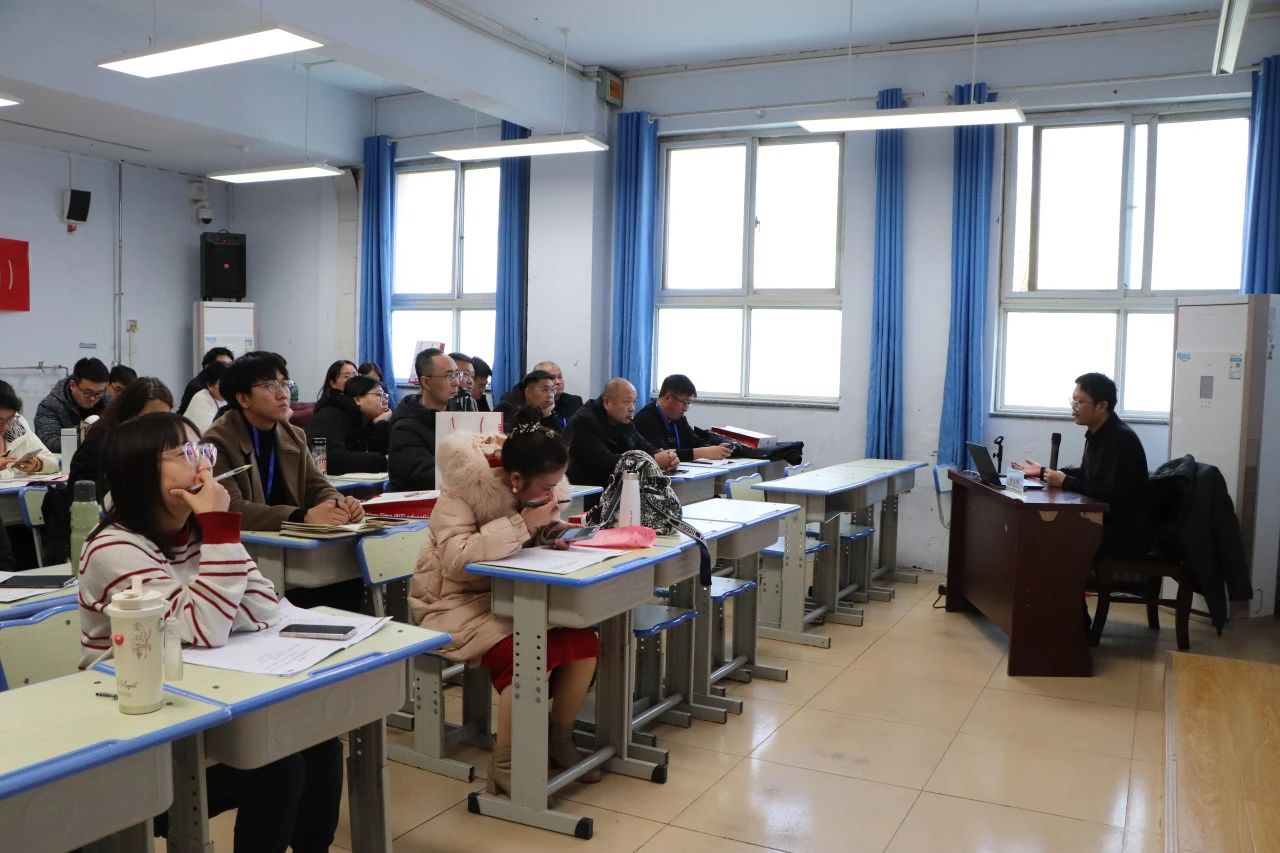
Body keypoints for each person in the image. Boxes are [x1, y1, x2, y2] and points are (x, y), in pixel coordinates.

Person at [78, 411, 342, 853]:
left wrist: (211, 599)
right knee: (278, 768)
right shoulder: (112, 547)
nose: (204, 464)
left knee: (320, 741)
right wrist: (219, 542)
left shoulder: (199, 531)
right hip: (137, 732)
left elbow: (264, 606)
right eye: (184, 453)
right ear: (141, 472)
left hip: (201, 702)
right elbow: (206, 625)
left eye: (202, 450)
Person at [410, 407, 601, 794]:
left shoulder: (530, 494)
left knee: (585, 644)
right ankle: (505, 763)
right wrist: (523, 525)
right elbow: (457, 561)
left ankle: (559, 738)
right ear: (515, 479)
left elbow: (521, 541)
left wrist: (549, 533)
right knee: (529, 656)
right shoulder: (463, 492)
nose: (552, 495)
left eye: (557, 486)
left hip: (509, 600)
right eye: (546, 487)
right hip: (454, 606)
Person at [203, 352, 360, 530]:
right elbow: (229, 507)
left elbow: (317, 487)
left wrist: (340, 505)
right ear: (244, 398)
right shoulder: (217, 441)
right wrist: (300, 516)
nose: (283, 394)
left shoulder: (294, 436)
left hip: (288, 538)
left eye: (285, 384)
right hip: (244, 541)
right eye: (270, 385)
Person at [1012, 372, 1150, 561]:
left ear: (1102, 406)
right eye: (1074, 400)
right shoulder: (1098, 433)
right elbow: (1087, 474)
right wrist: (1044, 472)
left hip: (1123, 531)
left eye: (1080, 401)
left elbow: (1110, 495)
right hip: (1105, 522)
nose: (1074, 407)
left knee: (1049, 534)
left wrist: (1065, 481)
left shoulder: (1120, 439)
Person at [70, 377, 173, 499]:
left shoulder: (166, 440)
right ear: (130, 414)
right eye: (150, 419)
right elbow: (81, 486)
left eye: (165, 419)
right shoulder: (102, 437)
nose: (158, 426)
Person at [565, 378, 678, 486]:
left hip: (614, 485)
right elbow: (604, 462)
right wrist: (651, 460)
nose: (632, 408)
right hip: (587, 489)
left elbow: (642, 445)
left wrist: (668, 457)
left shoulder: (622, 419)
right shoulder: (584, 421)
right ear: (607, 402)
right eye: (628, 402)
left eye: (634, 402)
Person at [387, 348, 459, 491]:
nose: (456, 382)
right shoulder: (405, 428)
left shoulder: (455, 416)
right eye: (449, 376)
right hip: (416, 500)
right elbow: (424, 477)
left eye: (457, 374)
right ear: (426, 382)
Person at [633, 374, 734, 463]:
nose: (685, 409)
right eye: (684, 402)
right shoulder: (645, 419)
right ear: (668, 397)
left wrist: (715, 448)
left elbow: (694, 441)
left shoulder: (679, 418)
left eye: (689, 403)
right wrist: (701, 452)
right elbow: (662, 454)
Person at [305, 375, 391, 475]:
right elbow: (330, 459)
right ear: (357, 399)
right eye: (379, 395)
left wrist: (382, 424)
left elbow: (386, 454)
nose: (385, 401)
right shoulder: (331, 416)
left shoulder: (368, 421)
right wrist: (382, 461)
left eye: (385, 396)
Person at [34, 357, 110, 451]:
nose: (93, 398)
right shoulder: (49, 406)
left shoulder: (108, 402)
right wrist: (85, 436)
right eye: (88, 392)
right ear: (72, 385)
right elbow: (49, 443)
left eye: (99, 393)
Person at [0, 380, 59, 485]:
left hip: (16, 492)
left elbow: (53, 462)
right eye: (0, 420)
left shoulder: (17, 426)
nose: (5, 426)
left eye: (10, 418)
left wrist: (37, 464)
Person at [497, 370, 562, 432]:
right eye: (545, 390)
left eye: (552, 390)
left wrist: (548, 416)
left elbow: (558, 438)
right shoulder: (506, 409)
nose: (550, 395)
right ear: (528, 392)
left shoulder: (550, 411)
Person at [178, 347, 234, 415]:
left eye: (230, 364)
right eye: (223, 364)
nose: (227, 368)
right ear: (208, 366)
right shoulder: (198, 389)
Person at [184, 361, 228, 434]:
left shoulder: (225, 399)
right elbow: (209, 434)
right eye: (223, 384)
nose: (228, 387)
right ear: (210, 386)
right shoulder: (202, 400)